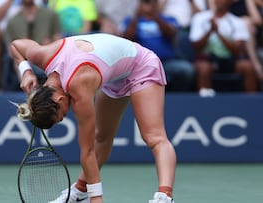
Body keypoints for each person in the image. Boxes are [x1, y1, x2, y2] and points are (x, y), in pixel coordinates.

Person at [10, 33, 176, 203]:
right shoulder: (42, 56)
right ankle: (81, 190)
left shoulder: (78, 86)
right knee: (102, 137)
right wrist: (26, 71)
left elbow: (87, 152)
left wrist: (96, 198)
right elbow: (16, 45)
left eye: (63, 115)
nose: (67, 115)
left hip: (141, 66)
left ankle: (165, 197)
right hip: (116, 76)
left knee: (154, 137)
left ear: (59, 100)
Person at [122, 0, 195, 92]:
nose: (148, 5)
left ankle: (176, 97)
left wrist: (155, 17)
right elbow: (126, 38)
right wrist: (137, 16)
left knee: (186, 69)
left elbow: (171, 33)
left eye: (151, 2)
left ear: (156, 4)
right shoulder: (131, 21)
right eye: (144, 2)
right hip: (141, 65)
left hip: (166, 63)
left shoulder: (168, 19)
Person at [190, 0, 258, 95]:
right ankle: (205, 103)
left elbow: (237, 50)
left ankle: (251, 102)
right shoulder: (200, 18)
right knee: (204, 68)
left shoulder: (237, 22)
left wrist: (218, 33)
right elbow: (196, 47)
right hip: (207, 59)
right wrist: (210, 31)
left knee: (248, 67)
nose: (218, 1)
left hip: (230, 61)